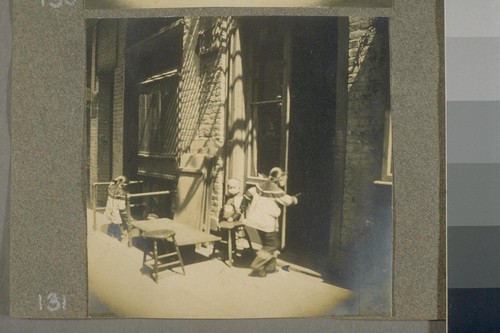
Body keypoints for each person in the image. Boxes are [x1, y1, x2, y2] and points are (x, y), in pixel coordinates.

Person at [244, 167, 298, 277]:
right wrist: (294, 199)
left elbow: (247, 194)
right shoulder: (276, 190)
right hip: (266, 223)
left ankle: (270, 267)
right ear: (279, 178)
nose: (285, 181)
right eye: (284, 179)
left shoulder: (261, 185)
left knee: (266, 243)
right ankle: (257, 264)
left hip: (254, 220)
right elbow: (287, 201)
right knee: (273, 244)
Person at [104, 175, 129, 242]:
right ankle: (118, 239)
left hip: (109, 212)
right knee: (118, 235)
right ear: (124, 184)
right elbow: (122, 208)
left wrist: (117, 178)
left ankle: (108, 236)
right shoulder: (122, 193)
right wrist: (127, 217)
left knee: (111, 227)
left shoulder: (111, 188)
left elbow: (112, 182)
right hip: (116, 215)